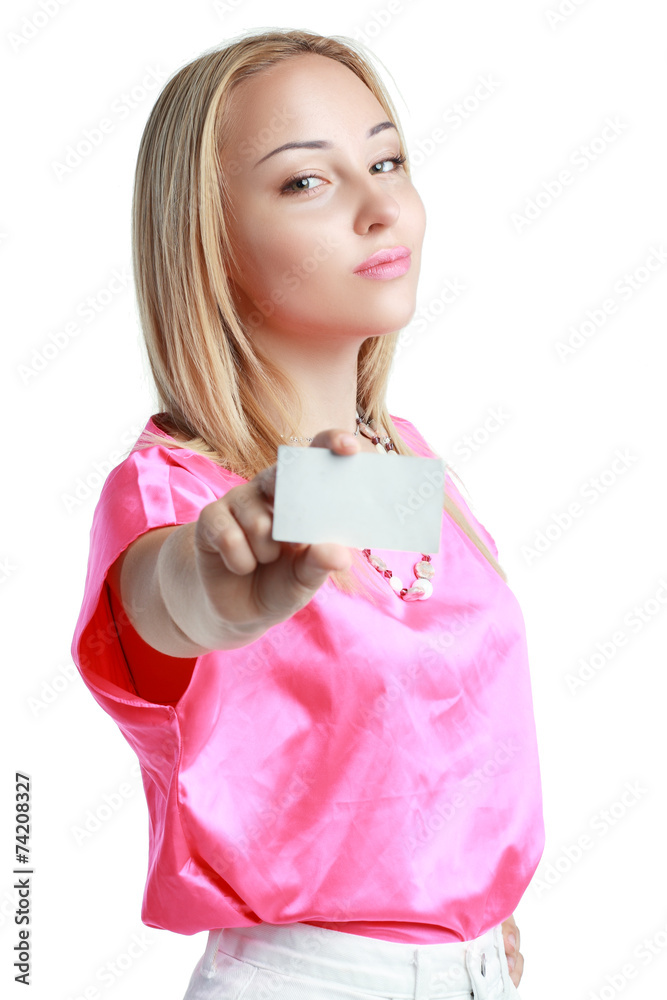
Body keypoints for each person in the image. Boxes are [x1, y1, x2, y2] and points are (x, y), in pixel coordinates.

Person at [71, 27, 544, 1000]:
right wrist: (210, 589)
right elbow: (172, 595)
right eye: (305, 181)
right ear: (208, 240)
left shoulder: (405, 458)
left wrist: (465, 916)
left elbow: (421, 716)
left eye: (386, 161)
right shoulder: (173, 491)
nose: (381, 207)